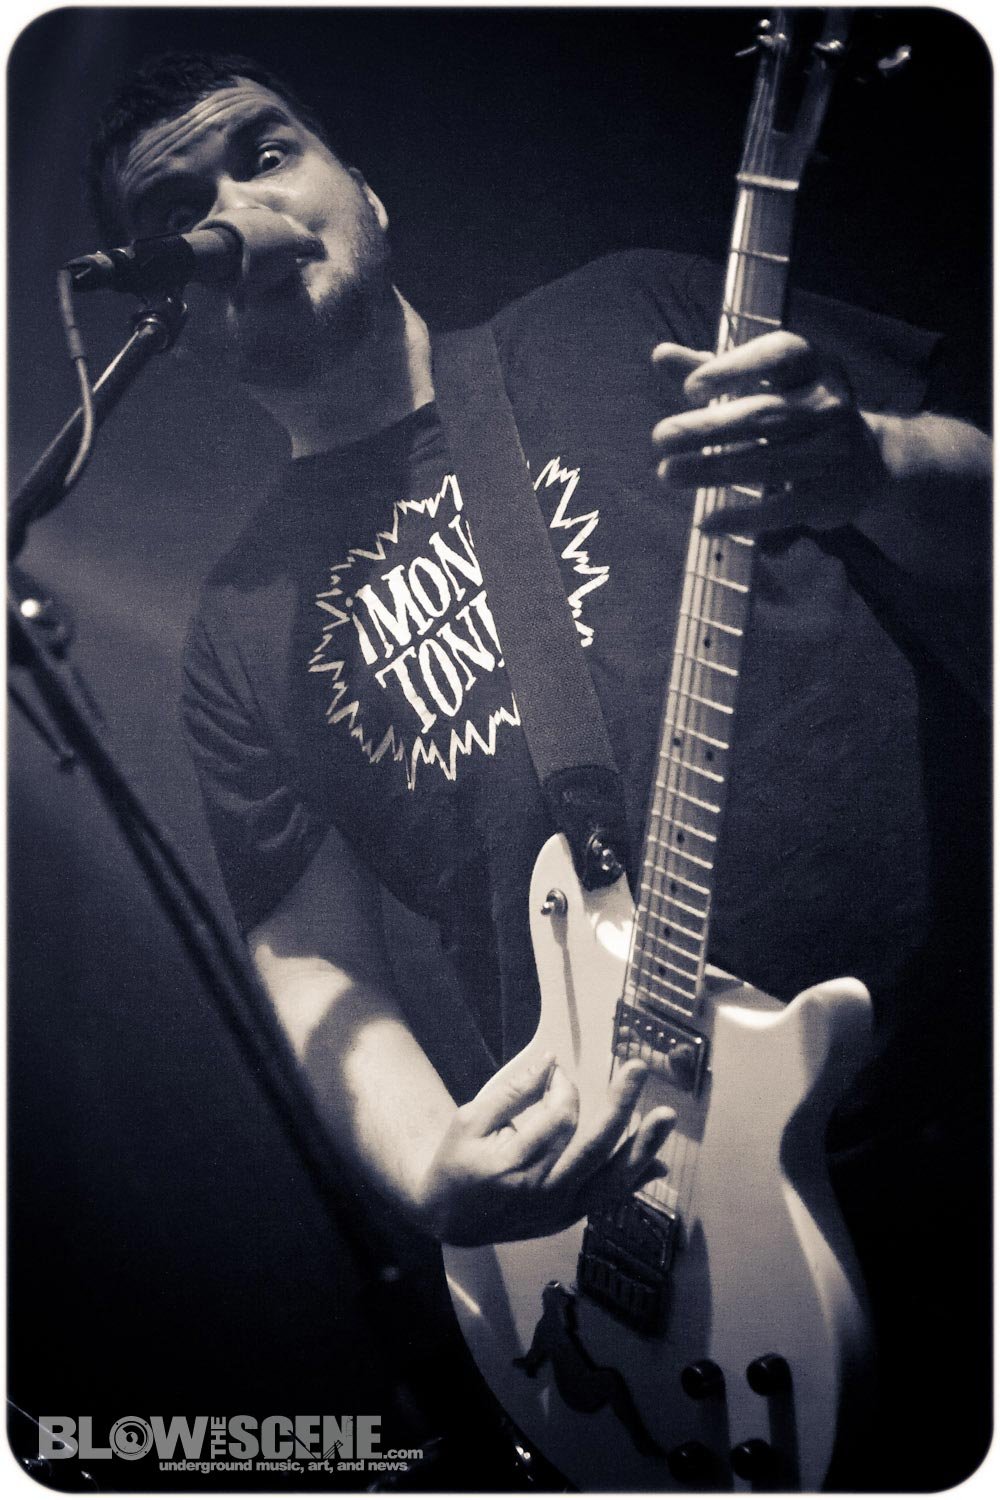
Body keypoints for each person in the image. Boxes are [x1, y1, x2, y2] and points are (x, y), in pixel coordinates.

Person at [87, 50, 990, 1486]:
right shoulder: (242, 629)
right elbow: (309, 954)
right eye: (179, 211)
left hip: (958, 1083)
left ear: (365, 188)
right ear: (171, 315)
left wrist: (875, 459)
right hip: (655, 1235)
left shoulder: (629, 316)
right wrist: (427, 1165)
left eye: (265, 155)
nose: (236, 213)